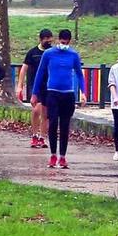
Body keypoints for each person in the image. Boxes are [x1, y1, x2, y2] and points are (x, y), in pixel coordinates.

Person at [32, 27, 88, 169]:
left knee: (64, 125)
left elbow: (79, 74)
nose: (64, 44)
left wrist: (83, 92)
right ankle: (52, 155)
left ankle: (62, 156)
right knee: (53, 124)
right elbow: (40, 73)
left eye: (66, 42)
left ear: (69, 41)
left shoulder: (73, 55)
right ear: (58, 40)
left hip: (68, 93)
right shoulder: (49, 54)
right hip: (52, 93)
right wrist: (34, 93)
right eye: (62, 41)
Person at [19, 28, 54, 149]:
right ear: (41, 39)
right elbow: (24, 69)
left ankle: (42, 137)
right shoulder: (32, 52)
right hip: (34, 86)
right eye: (46, 39)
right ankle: (34, 134)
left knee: (45, 113)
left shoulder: (52, 52)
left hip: (48, 86)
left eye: (50, 39)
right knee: (36, 110)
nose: (49, 42)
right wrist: (20, 86)